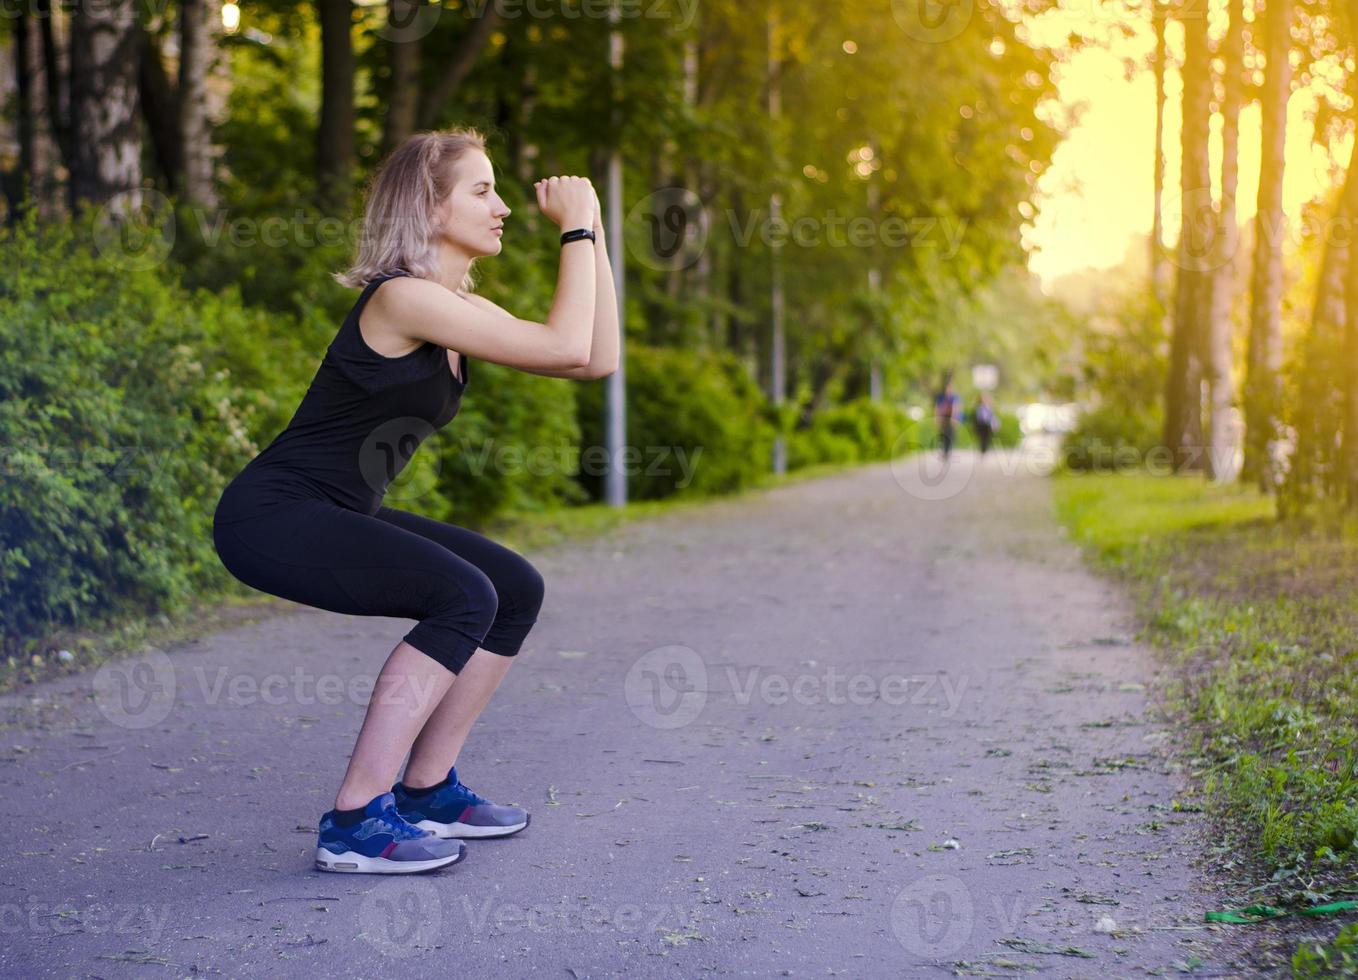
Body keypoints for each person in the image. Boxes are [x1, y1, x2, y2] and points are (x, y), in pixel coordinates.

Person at [211, 128, 618, 874]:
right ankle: (355, 819)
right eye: (481, 190)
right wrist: (578, 228)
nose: (500, 206)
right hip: (275, 512)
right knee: (461, 594)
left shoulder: (461, 307)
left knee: (513, 587)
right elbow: (565, 345)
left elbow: (594, 358)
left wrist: (595, 238)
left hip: (337, 509)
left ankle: (428, 789)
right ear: (430, 208)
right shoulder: (404, 299)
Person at [933, 374, 963, 459]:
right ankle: (944, 451)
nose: (948, 390)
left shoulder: (954, 397)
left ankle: (947, 451)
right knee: (943, 435)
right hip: (943, 419)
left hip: (951, 419)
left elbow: (956, 408)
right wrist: (936, 418)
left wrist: (955, 418)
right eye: (947, 388)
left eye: (949, 388)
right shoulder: (941, 397)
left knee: (950, 435)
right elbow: (937, 408)